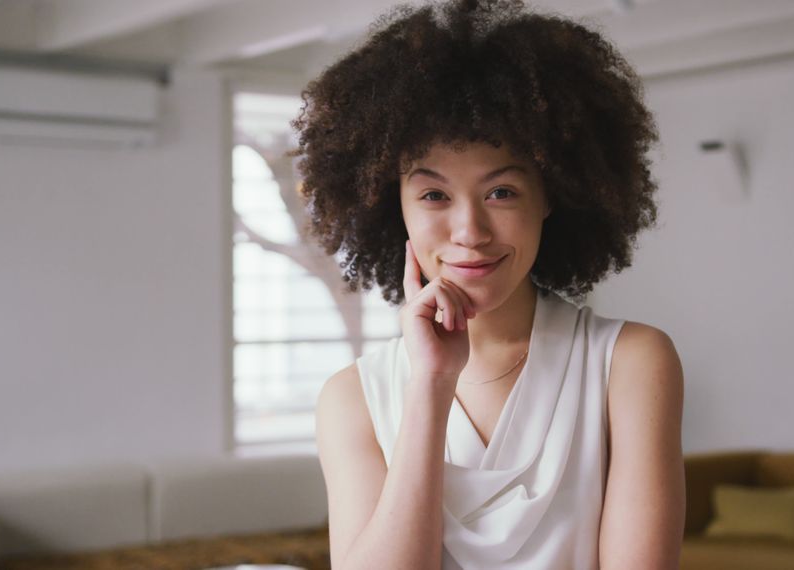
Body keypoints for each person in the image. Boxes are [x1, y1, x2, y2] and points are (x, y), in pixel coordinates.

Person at [292, 0, 685, 568]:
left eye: (501, 191)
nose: (470, 231)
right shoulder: (353, 398)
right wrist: (430, 384)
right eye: (433, 195)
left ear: (551, 195)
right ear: (388, 205)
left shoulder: (629, 363)